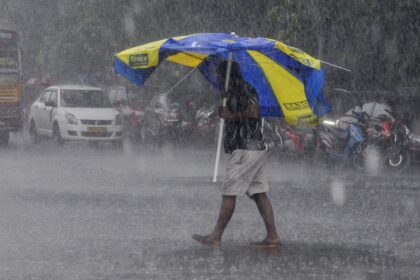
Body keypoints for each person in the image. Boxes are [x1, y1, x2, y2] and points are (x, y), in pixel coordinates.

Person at [192, 62, 280, 249]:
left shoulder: (244, 89)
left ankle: (216, 236)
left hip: (244, 150)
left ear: (227, 75)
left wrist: (231, 115)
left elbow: (254, 112)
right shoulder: (234, 91)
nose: (217, 79)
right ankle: (272, 236)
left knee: (229, 193)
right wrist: (227, 103)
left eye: (220, 76)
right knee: (259, 194)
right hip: (252, 148)